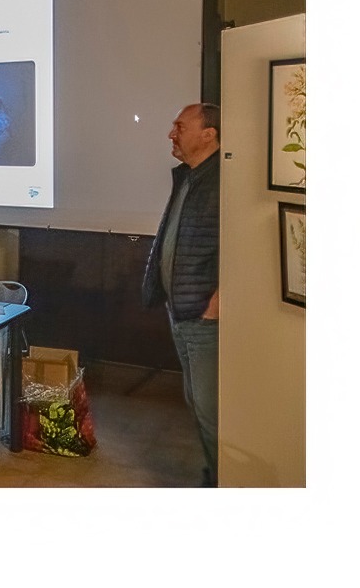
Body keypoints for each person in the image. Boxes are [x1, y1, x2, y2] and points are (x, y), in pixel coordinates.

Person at [141, 102, 220, 487]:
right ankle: (216, 475)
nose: (172, 134)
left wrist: (216, 304)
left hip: (204, 317)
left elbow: (239, 247)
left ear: (209, 134)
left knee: (210, 410)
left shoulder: (222, 181)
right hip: (183, 311)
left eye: (180, 127)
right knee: (197, 403)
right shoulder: (190, 177)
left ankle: (227, 481)